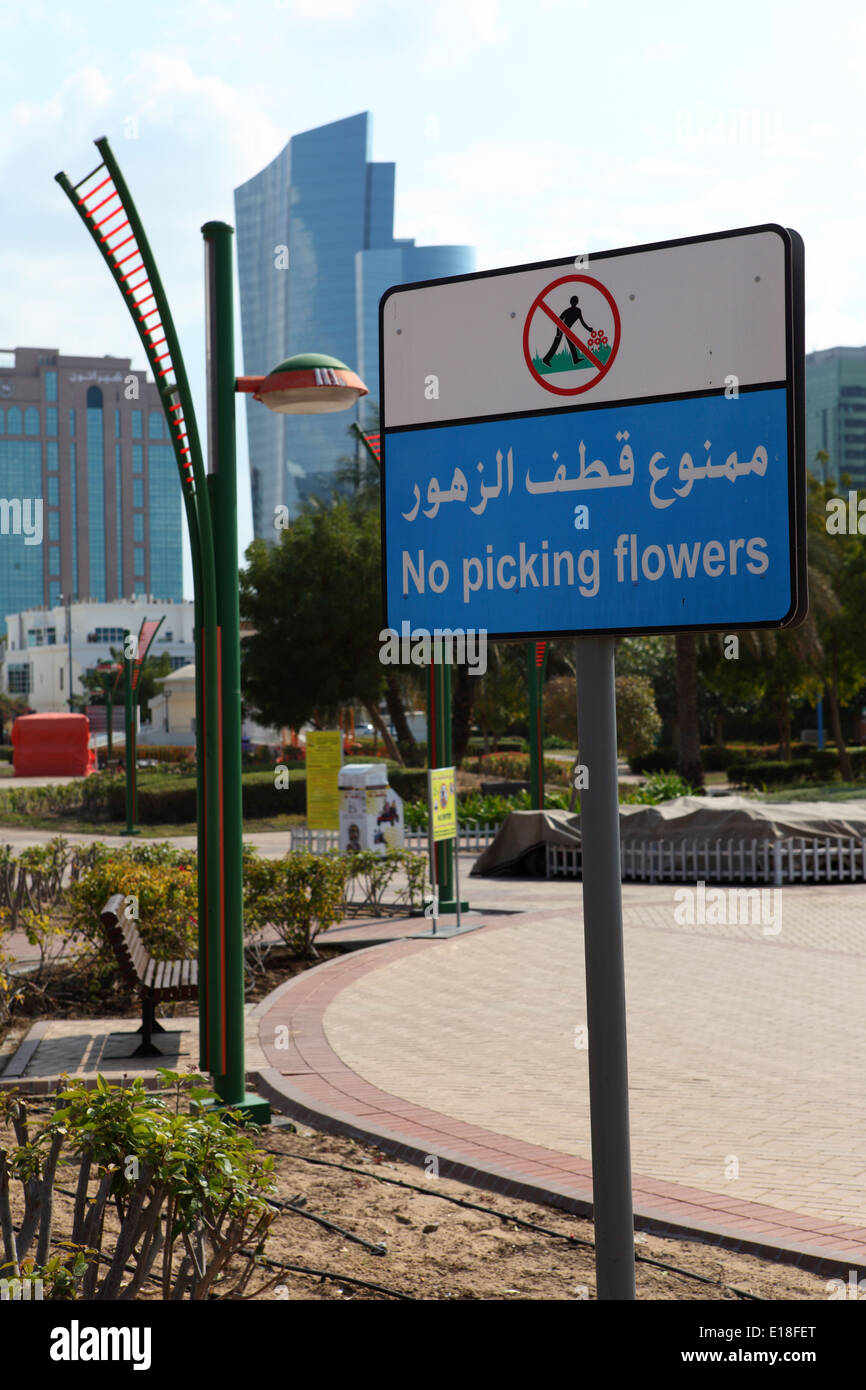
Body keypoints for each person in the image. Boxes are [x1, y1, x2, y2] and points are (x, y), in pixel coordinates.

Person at [542, 296, 594, 366]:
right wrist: (558, 331)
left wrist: (588, 329)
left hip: (567, 330)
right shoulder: (569, 310)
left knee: (570, 342)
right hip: (561, 328)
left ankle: (575, 359)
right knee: (555, 344)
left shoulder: (578, 311)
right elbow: (559, 320)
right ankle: (546, 359)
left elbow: (582, 322)